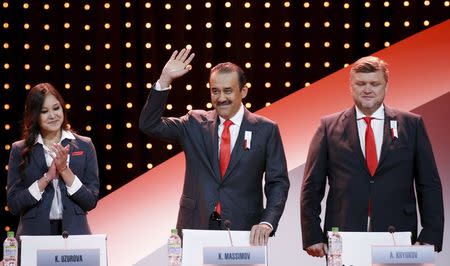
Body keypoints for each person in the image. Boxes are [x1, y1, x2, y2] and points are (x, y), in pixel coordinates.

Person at [139, 48, 290, 245]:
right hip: (195, 227)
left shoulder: (265, 130)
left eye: (228, 91)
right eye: (215, 91)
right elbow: (149, 124)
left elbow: (278, 182)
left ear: (243, 91)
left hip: (244, 231)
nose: (221, 98)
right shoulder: (193, 122)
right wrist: (164, 80)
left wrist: (267, 222)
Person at [300, 56, 444, 257]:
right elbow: (311, 186)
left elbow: (429, 184)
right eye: (360, 84)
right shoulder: (328, 126)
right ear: (351, 86)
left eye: (374, 83)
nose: (367, 89)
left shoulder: (412, 125)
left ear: (386, 86)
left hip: (398, 235)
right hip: (343, 235)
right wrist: (312, 234)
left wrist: (430, 234)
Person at [7, 83, 100, 237]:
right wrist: (47, 178)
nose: (52, 115)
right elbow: (14, 205)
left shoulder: (84, 145)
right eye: (44, 111)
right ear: (34, 116)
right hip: (34, 237)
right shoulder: (19, 150)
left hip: (75, 235)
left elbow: (90, 201)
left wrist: (64, 171)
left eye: (56, 108)